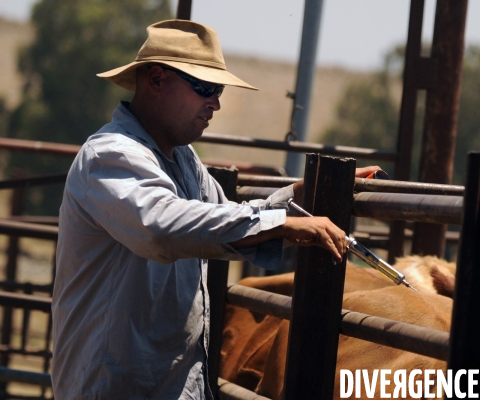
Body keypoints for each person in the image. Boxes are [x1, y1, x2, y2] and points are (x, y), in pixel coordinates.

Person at [51, 19, 379, 399]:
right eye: (205, 88)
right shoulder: (110, 155)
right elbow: (162, 226)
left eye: (218, 89)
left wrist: (303, 196)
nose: (216, 103)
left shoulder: (183, 161)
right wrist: (284, 224)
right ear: (156, 80)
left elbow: (225, 219)